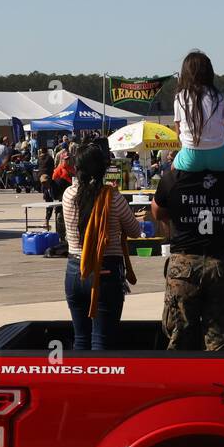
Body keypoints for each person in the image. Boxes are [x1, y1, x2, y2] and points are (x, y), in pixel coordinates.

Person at [151, 161, 224, 351]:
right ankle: (217, 378)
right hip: (220, 260)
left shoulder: (173, 178)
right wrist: (222, 221)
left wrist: (181, 220)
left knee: (179, 334)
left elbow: (157, 212)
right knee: (221, 337)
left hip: (184, 261)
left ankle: (180, 377)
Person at [61, 145, 140, 351]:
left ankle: (80, 381)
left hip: (74, 270)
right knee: (102, 342)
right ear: (103, 169)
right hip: (105, 272)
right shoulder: (113, 198)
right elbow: (135, 231)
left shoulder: (68, 195)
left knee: (81, 339)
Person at [171, 50, 224, 171]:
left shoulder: (180, 97)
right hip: (218, 155)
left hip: (191, 156)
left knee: (172, 170)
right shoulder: (219, 96)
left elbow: (178, 133)